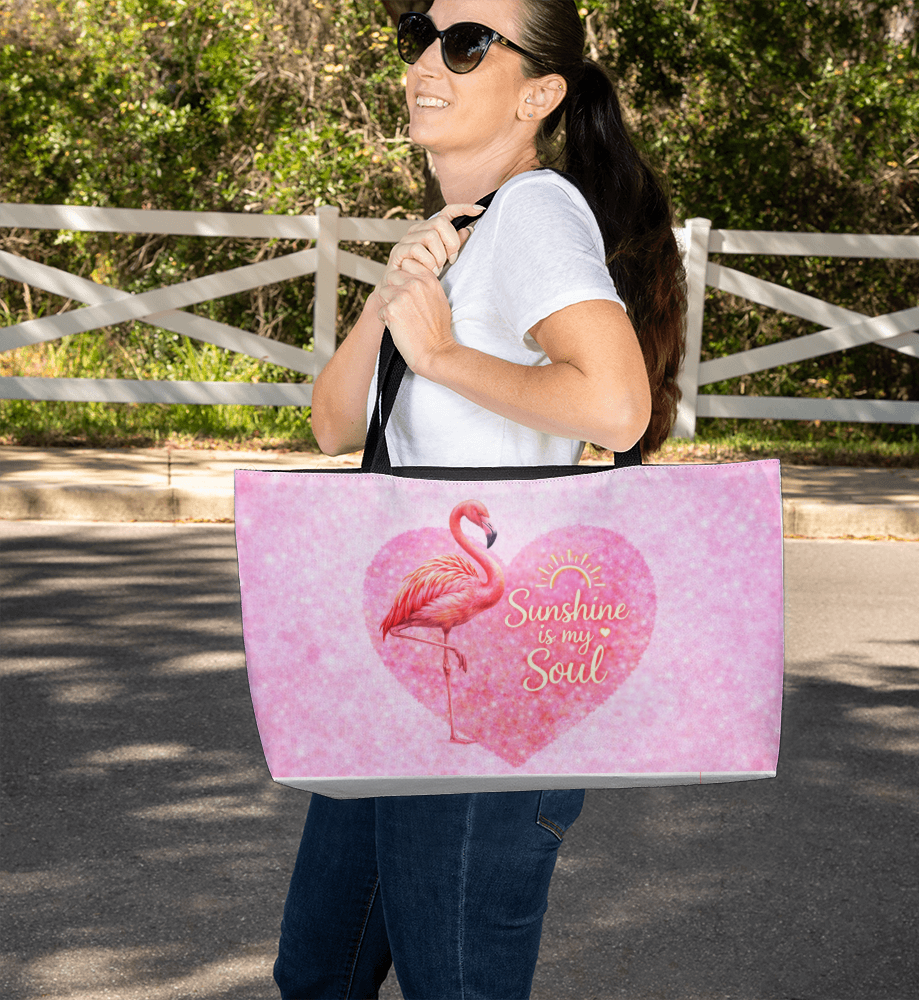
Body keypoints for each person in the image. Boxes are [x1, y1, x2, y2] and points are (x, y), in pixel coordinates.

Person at [274, 2, 684, 997]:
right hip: (399, 672)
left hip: (491, 681)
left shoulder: (536, 212)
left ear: (539, 94)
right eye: (419, 32)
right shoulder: (464, 232)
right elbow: (333, 424)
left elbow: (616, 406)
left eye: (465, 44)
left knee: (454, 983)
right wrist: (397, 291)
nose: (427, 59)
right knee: (318, 970)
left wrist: (446, 356)